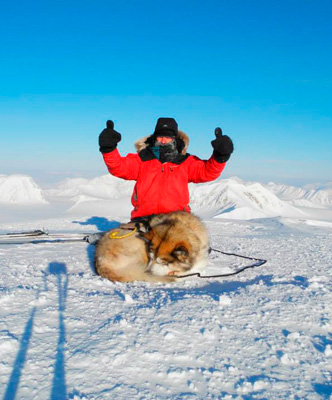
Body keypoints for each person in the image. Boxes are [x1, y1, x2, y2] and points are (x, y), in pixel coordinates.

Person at [98, 117, 233, 221]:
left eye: (167, 137)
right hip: (143, 219)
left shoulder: (185, 161)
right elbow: (118, 167)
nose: (163, 141)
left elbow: (207, 172)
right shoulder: (142, 159)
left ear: (175, 139)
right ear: (154, 137)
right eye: (160, 136)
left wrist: (220, 155)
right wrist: (109, 149)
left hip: (178, 220)